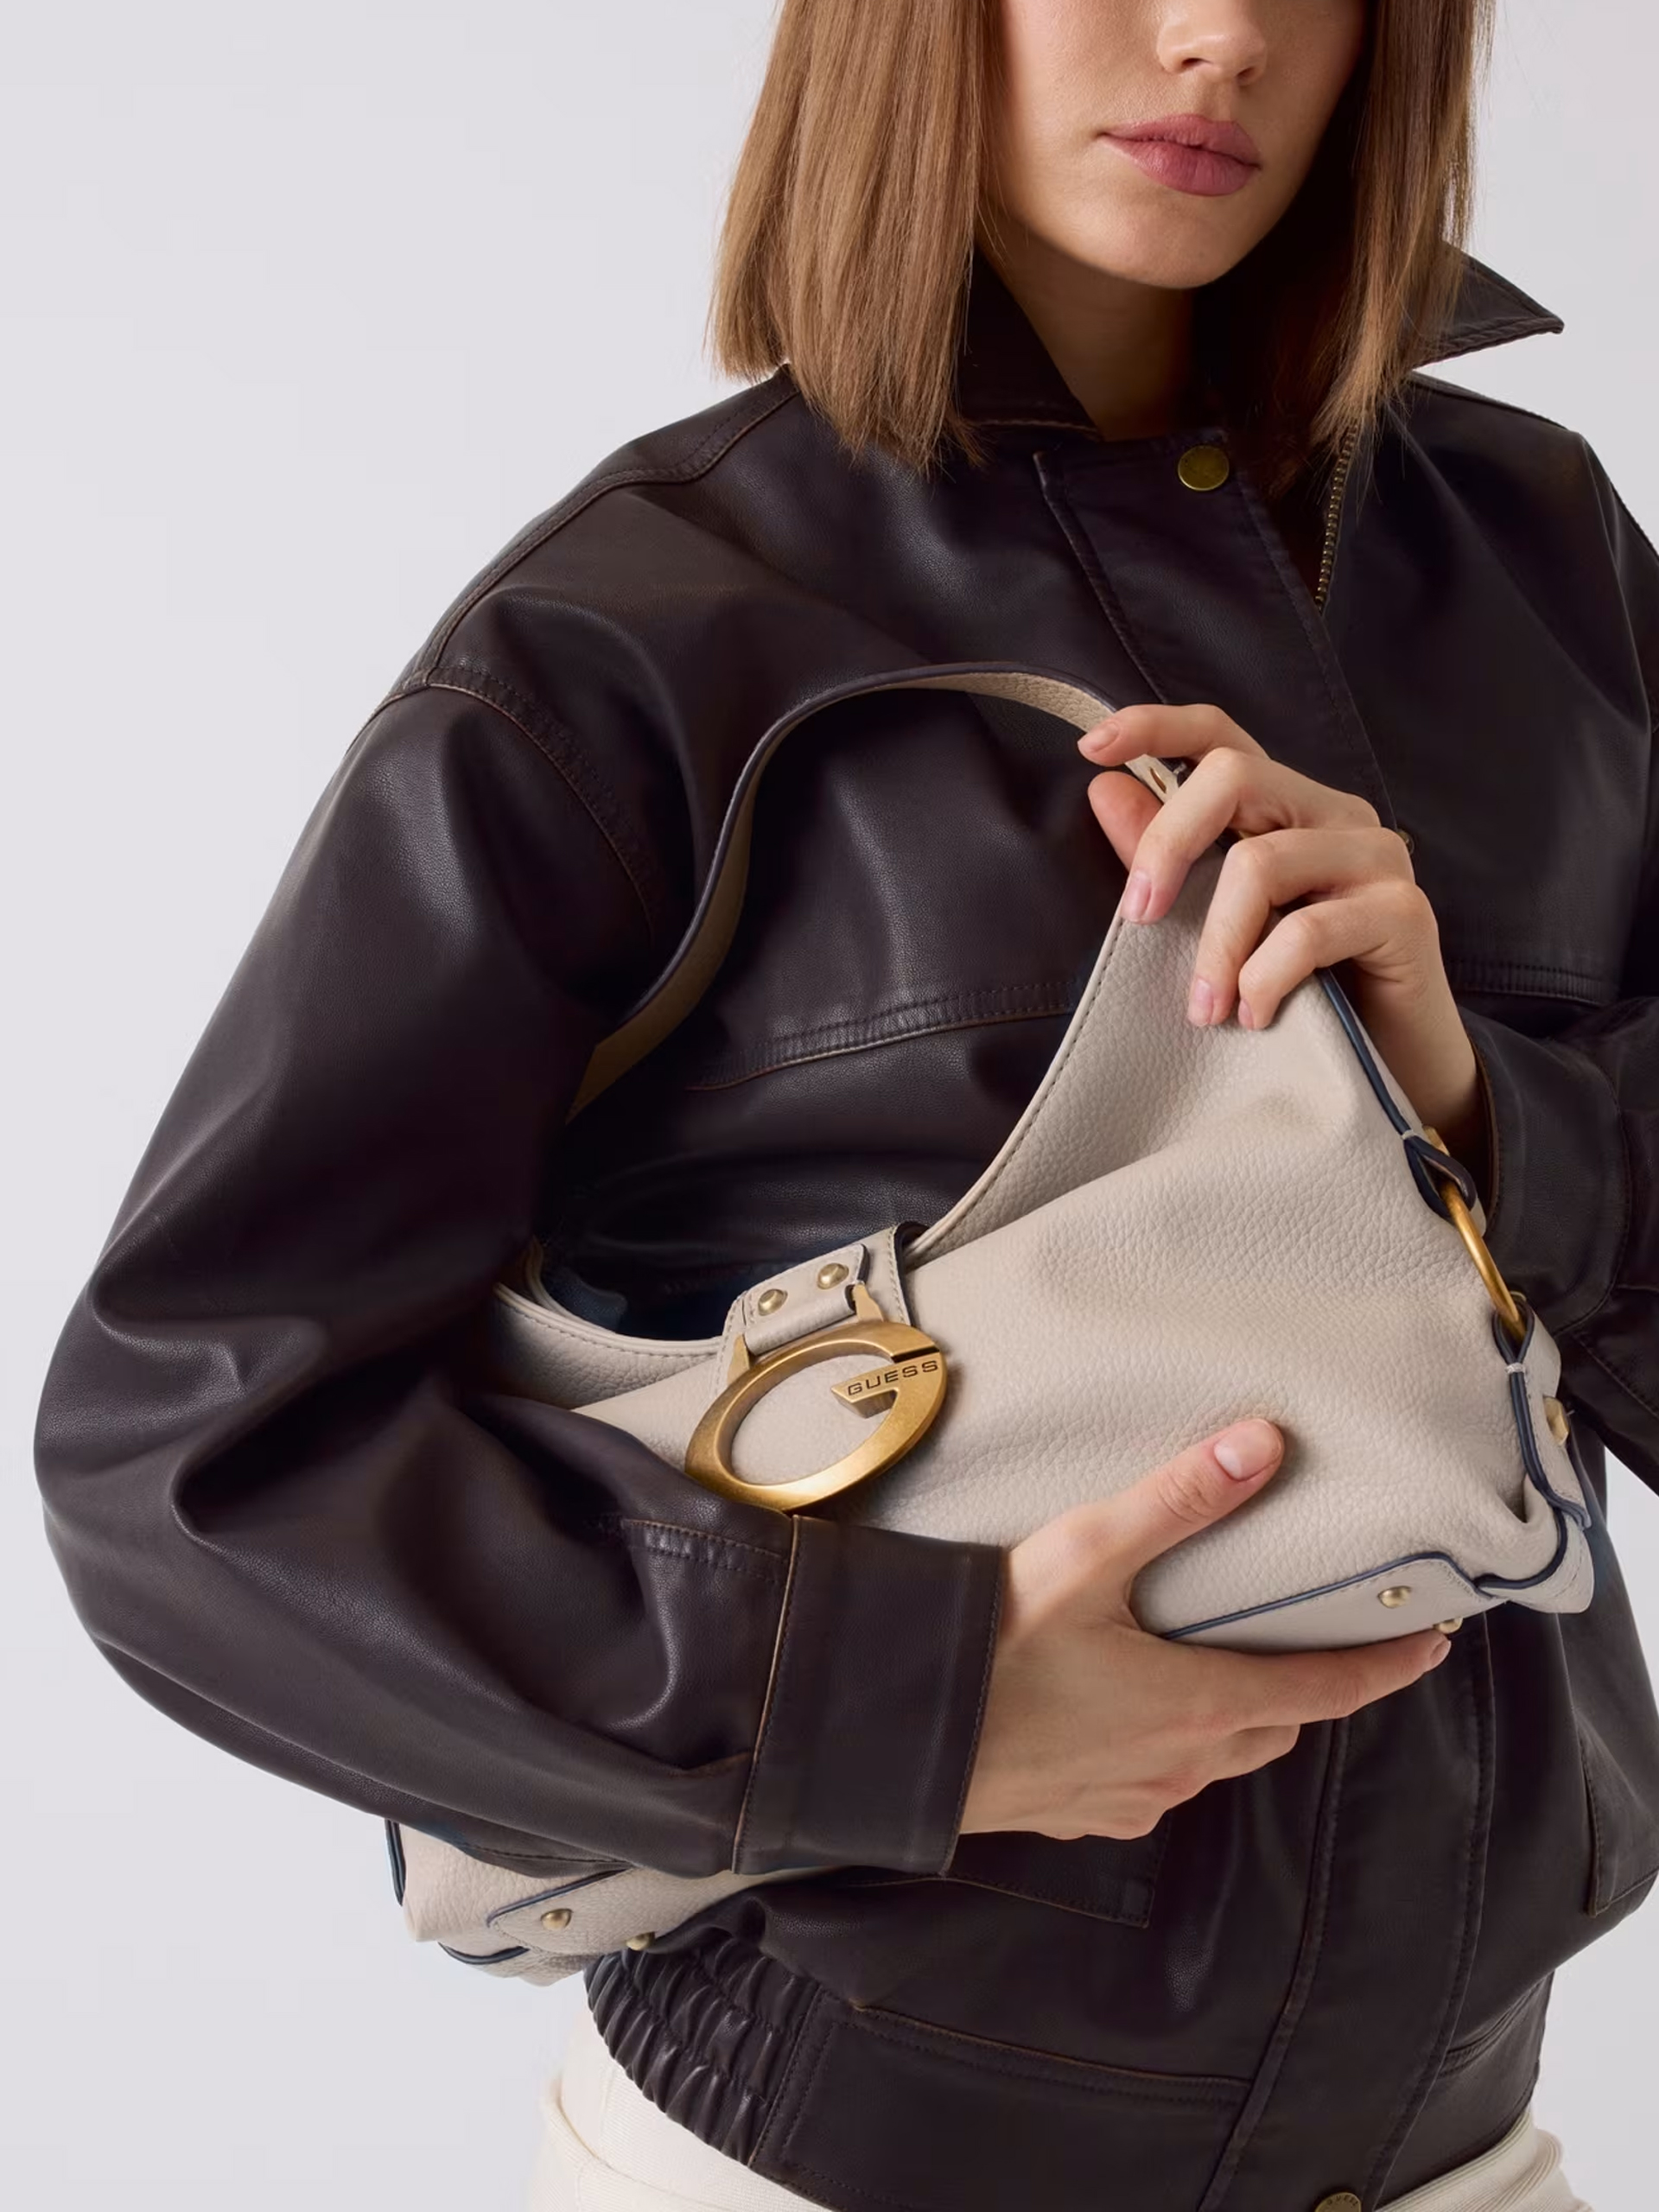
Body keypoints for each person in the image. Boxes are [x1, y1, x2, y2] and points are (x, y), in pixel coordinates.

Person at [33, 0, 1659, 2205]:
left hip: (1469, 2150)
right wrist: (911, 1700)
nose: (1218, 36)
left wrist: (1470, 1102)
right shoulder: (634, 635)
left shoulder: (1543, 557)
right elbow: (191, 1455)